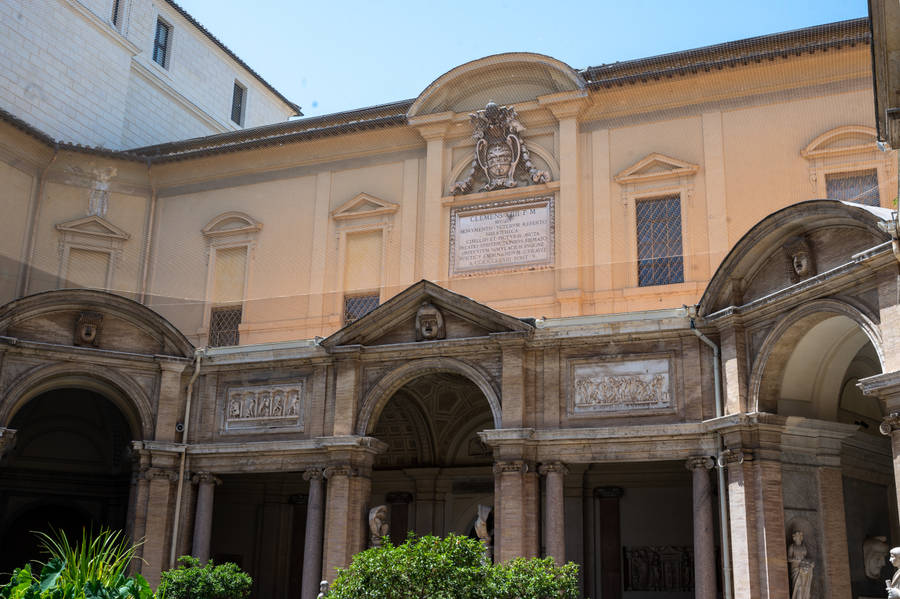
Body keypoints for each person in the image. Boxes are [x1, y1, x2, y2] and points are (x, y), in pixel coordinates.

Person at [787, 529, 813, 599]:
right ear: (794, 538)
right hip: (795, 568)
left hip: (803, 569)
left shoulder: (803, 547)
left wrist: (809, 562)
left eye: (799, 536)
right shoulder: (792, 547)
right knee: (798, 586)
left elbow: (804, 558)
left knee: (803, 585)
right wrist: (795, 559)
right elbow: (788, 559)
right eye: (797, 536)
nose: (798, 538)